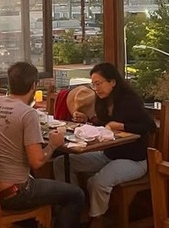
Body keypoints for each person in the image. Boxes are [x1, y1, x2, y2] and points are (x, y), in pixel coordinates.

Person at [0, 61, 84, 228]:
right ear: (33, 86)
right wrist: (53, 144)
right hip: (15, 193)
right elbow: (36, 162)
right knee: (76, 195)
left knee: (46, 185)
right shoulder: (28, 114)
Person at [53, 62, 156, 224]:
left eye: (99, 83)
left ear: (112, 82)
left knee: (97, 182)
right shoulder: (101, 101)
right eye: (93, 84)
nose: (96, 88)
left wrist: (121, 126)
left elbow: (149, 126)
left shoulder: (129, 101)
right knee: (61, 163)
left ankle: (96, 218)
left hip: (134, 160)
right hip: (108, 154)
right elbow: (104, 127)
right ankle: (74, 209)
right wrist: (87, 120)